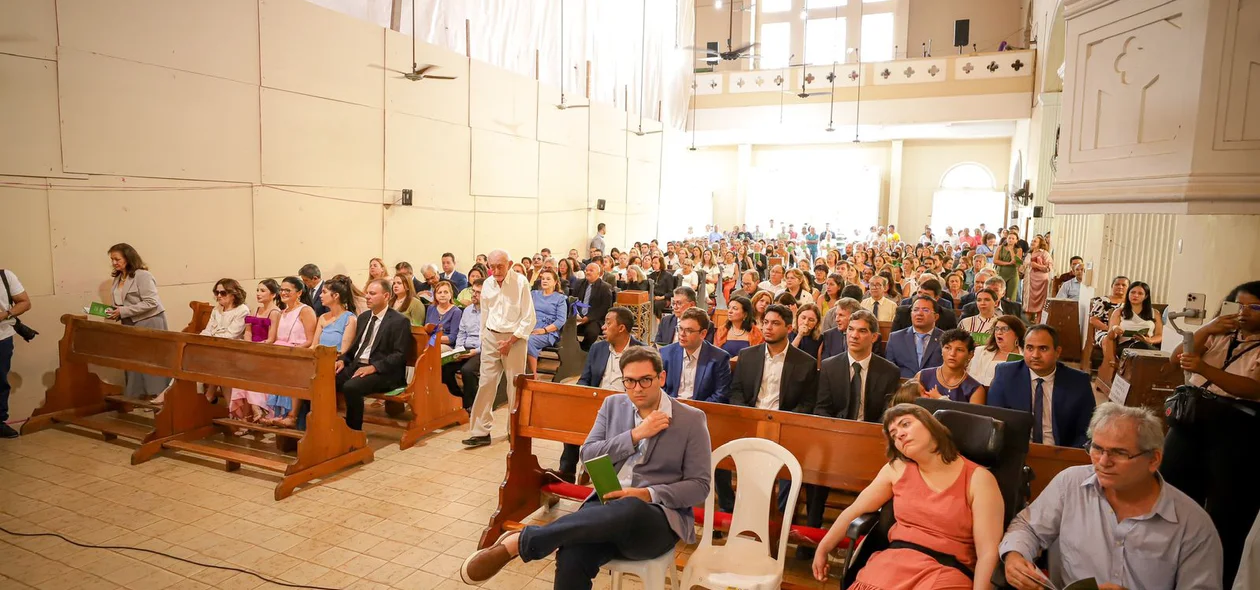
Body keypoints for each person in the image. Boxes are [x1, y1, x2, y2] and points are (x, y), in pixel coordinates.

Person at [461, 346, 711, 588]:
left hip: (654, 519)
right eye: (630, 381)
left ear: (662, 377)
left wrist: (647, 494)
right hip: (604, 508)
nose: (637, 389)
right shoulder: (613, 406)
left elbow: (699, 486)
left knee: (632, 506)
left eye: (646, 380)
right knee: (572, 554)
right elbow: (588, 455)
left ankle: (521, 542)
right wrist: (634, 435)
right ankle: (530, 541)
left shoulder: (690, 419)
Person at [1000, 403, 1223, 590]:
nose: (1103, 462)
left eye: (1119, 453)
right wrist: (1014, 556)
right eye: (1097, 448)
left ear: (1153, 460)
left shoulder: (1193, 526)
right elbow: (1028, 527)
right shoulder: (1070, 484)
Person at [812, 404, 1004, 588]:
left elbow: (988, 553)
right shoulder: (896, 468)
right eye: (894, 435)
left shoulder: (979, 479)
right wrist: (823, 548)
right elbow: (855, 511)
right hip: (892, 562)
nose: (900, 435)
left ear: (931, 425)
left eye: (905, 424)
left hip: (946, 569)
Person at [1165, 281, 1260, 586]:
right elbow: (1175, 358)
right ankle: (1166, 566)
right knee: (1172, 494)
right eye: (1238, 306)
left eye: (1254, 307)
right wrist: (1208, 327)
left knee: (1227, 510)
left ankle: (1215, 578)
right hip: (1191, 421)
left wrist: (1206, 370)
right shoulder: (1218, 334)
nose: (1244, 313)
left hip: (1238, 430)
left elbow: (1253, 388)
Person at [546, 307, 644, 484]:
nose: (603, 327)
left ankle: (601, 475)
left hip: (627, 408)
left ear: (621, 328)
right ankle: (567, 472)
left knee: (612, 435)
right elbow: (585, 379)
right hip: (597, 404)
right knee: (573, 420)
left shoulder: (641, 351)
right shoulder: (598, 348)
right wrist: (580, 395)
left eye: (608, 322)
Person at [464, 250, 536, 449]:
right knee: (485, 383)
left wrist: (511, 341)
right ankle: (480, 432)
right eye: (491, 266)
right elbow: (485, 314)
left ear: (510, 264)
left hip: (515, 338)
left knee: (514, 386)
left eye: (500, 266)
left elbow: (529, 318)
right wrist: (484, 338)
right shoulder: (487, 283)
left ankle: (514, 430)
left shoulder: (521, 282)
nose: (495, 271)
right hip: (491, 337)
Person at [987, 324, 1094, 447]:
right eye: (1030, 348)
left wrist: (1068, 457)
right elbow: (994, 420)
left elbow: (1087, 430)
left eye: (1043, 349)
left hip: (1062, 452)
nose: (1035, 355)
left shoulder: (1078, 381)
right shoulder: (1005, 375)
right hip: (1016, 451)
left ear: (1057, 352)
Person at [335, 279, 411, 431]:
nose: (367, 297)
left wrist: (374, 367)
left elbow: (399, 355)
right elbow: (355, 347)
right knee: (324, 379)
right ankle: (330, 426)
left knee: (351, 387)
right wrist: (343, 360)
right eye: (367, 293)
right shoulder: (363, 318)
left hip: (384, 372)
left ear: (386, 296)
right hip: (358, 365)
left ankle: (353, 432)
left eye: (372, 293)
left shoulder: (399, 321)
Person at [106, 243, 172, 399]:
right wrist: (113, 311)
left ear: (128, 258)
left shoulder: (143, 276)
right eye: (112, 260)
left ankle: (157, 395)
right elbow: (121, 301)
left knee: (151, 360)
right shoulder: (118, 277)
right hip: (129, 323)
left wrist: (123, 311)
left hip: (149, 321)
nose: (114, 263)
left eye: (117, 259)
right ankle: (138, 394)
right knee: (133, 360)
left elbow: (151, 302)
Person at [728, 304, 818, 413]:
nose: (768, 327)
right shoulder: (746, 355)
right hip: (749, 418)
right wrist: (748, 415)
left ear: (789, 328)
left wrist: (784, 420)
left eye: (775, 323)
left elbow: (806, 403)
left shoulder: (806, 363)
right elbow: (736, 392)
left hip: (785, 422)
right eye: (766, 322)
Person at [815, 310, 901, 422]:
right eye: (850, 329)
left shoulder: (889, 371)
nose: (854, 336)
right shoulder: (829, 366)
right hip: (836, 431)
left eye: (862, 331)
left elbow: (888, 413)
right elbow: (822, 408)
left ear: (874, 337)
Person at [263, 278, 318, 426]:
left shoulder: (305, 310)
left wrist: (293, 351)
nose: (283, 293)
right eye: (282, 289)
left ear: (299, 292)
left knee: (291, 370)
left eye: (288, 290)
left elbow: (311, 340)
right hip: (282, 352)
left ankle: (291, 416)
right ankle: (275, 413)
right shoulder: (283, 312)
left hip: (300, 354)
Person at [660, 308, 731, 403]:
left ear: (703, 334)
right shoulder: (665, 353)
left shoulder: (719, 358)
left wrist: (697, 410)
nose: (682, 334)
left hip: (703, 410)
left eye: (689, 330)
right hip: (670, 407)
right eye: (680, 328)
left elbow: (721, 393)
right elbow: (659, 387)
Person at [1100, 280, 1163, 384]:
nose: (1135, 295)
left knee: (1145, 348)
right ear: (1128, 294)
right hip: (1126, 346)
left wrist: (1148, 339)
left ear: (1146, 296)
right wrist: (1115, 328)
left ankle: (1143, 383)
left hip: (1148, 345)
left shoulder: (1154, 313)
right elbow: (1110, 336)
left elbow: (1160, 335)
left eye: (1140, 293)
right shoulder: (1119, 311)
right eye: (1132, 292)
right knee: (1140, 351)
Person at [443, 278, 484, 413]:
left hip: (481, 350)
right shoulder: (467, 311)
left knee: (468, 370)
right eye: (473, 291)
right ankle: (456, 398)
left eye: (478, 292)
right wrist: (458, 350)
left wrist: (475, 351)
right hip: (465, 347)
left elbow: (490, 339)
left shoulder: (491, 312)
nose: (474, 294)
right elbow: (461, 332)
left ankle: (469, 406)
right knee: (444, 367)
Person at [0, 268, 31, 438]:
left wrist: (6, 314)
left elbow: (25, 302)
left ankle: (0, 422)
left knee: (0, 381)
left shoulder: (5, 276)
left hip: (2, 337)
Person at [916, 329, 986, 404]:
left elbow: (973, 415)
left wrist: (940, 399)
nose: (952, 354)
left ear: (970, 354)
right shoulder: (922, 376)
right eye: (947, 348)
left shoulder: (975, 389)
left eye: (959, 350)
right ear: (942, 350)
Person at [886, 297, 945, 378]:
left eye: (925, 310)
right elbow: (889, 370)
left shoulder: (945, 339)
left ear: (936, 317)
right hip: (903, 386)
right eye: (915, 310)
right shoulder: (895, 338)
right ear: (911, 314)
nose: (919, 313)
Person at [526, 270, 567, 375]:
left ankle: (533, 375)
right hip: (531, 325)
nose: (544, 281)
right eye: (543, 278)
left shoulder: (560, 298)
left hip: (548, 331)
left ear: (555, 282)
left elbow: (561, 320)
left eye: (548, 279)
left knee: (529, 340)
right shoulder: (534, 294)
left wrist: (544, 330)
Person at [968, 315, 1026, 386]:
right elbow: (971, 378)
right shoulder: (980, 351)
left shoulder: (1025, 355)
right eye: (997, 328)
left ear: (1016, 333)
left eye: (1004, 329)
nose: (999, 332)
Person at [574, 260, 613, 351]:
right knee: (566, 329)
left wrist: (588, 318)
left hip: (595, 319)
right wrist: (576, 314)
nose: (588, 272)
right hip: (578, 317)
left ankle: (583, 350)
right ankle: (576, 349)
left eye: (591, 271)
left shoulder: (605, 287)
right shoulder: (579, 284)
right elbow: (573, 300)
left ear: (598, 273)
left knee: (591, 332)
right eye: (586, 270)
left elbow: (604, 308)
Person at [1022, 236, 1053, 321]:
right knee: (1028, 303)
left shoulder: (1045, 253)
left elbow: (1048, 268)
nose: (1032, 242)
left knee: (1041, 303)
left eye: (1035, 241)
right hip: (1029, 281)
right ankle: (1027, 324)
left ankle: (1038, 323)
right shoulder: (1029, 254)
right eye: (1032, 241)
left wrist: (1037, 266)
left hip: (1040, 282)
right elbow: (1024, 268)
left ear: (1040, 243)